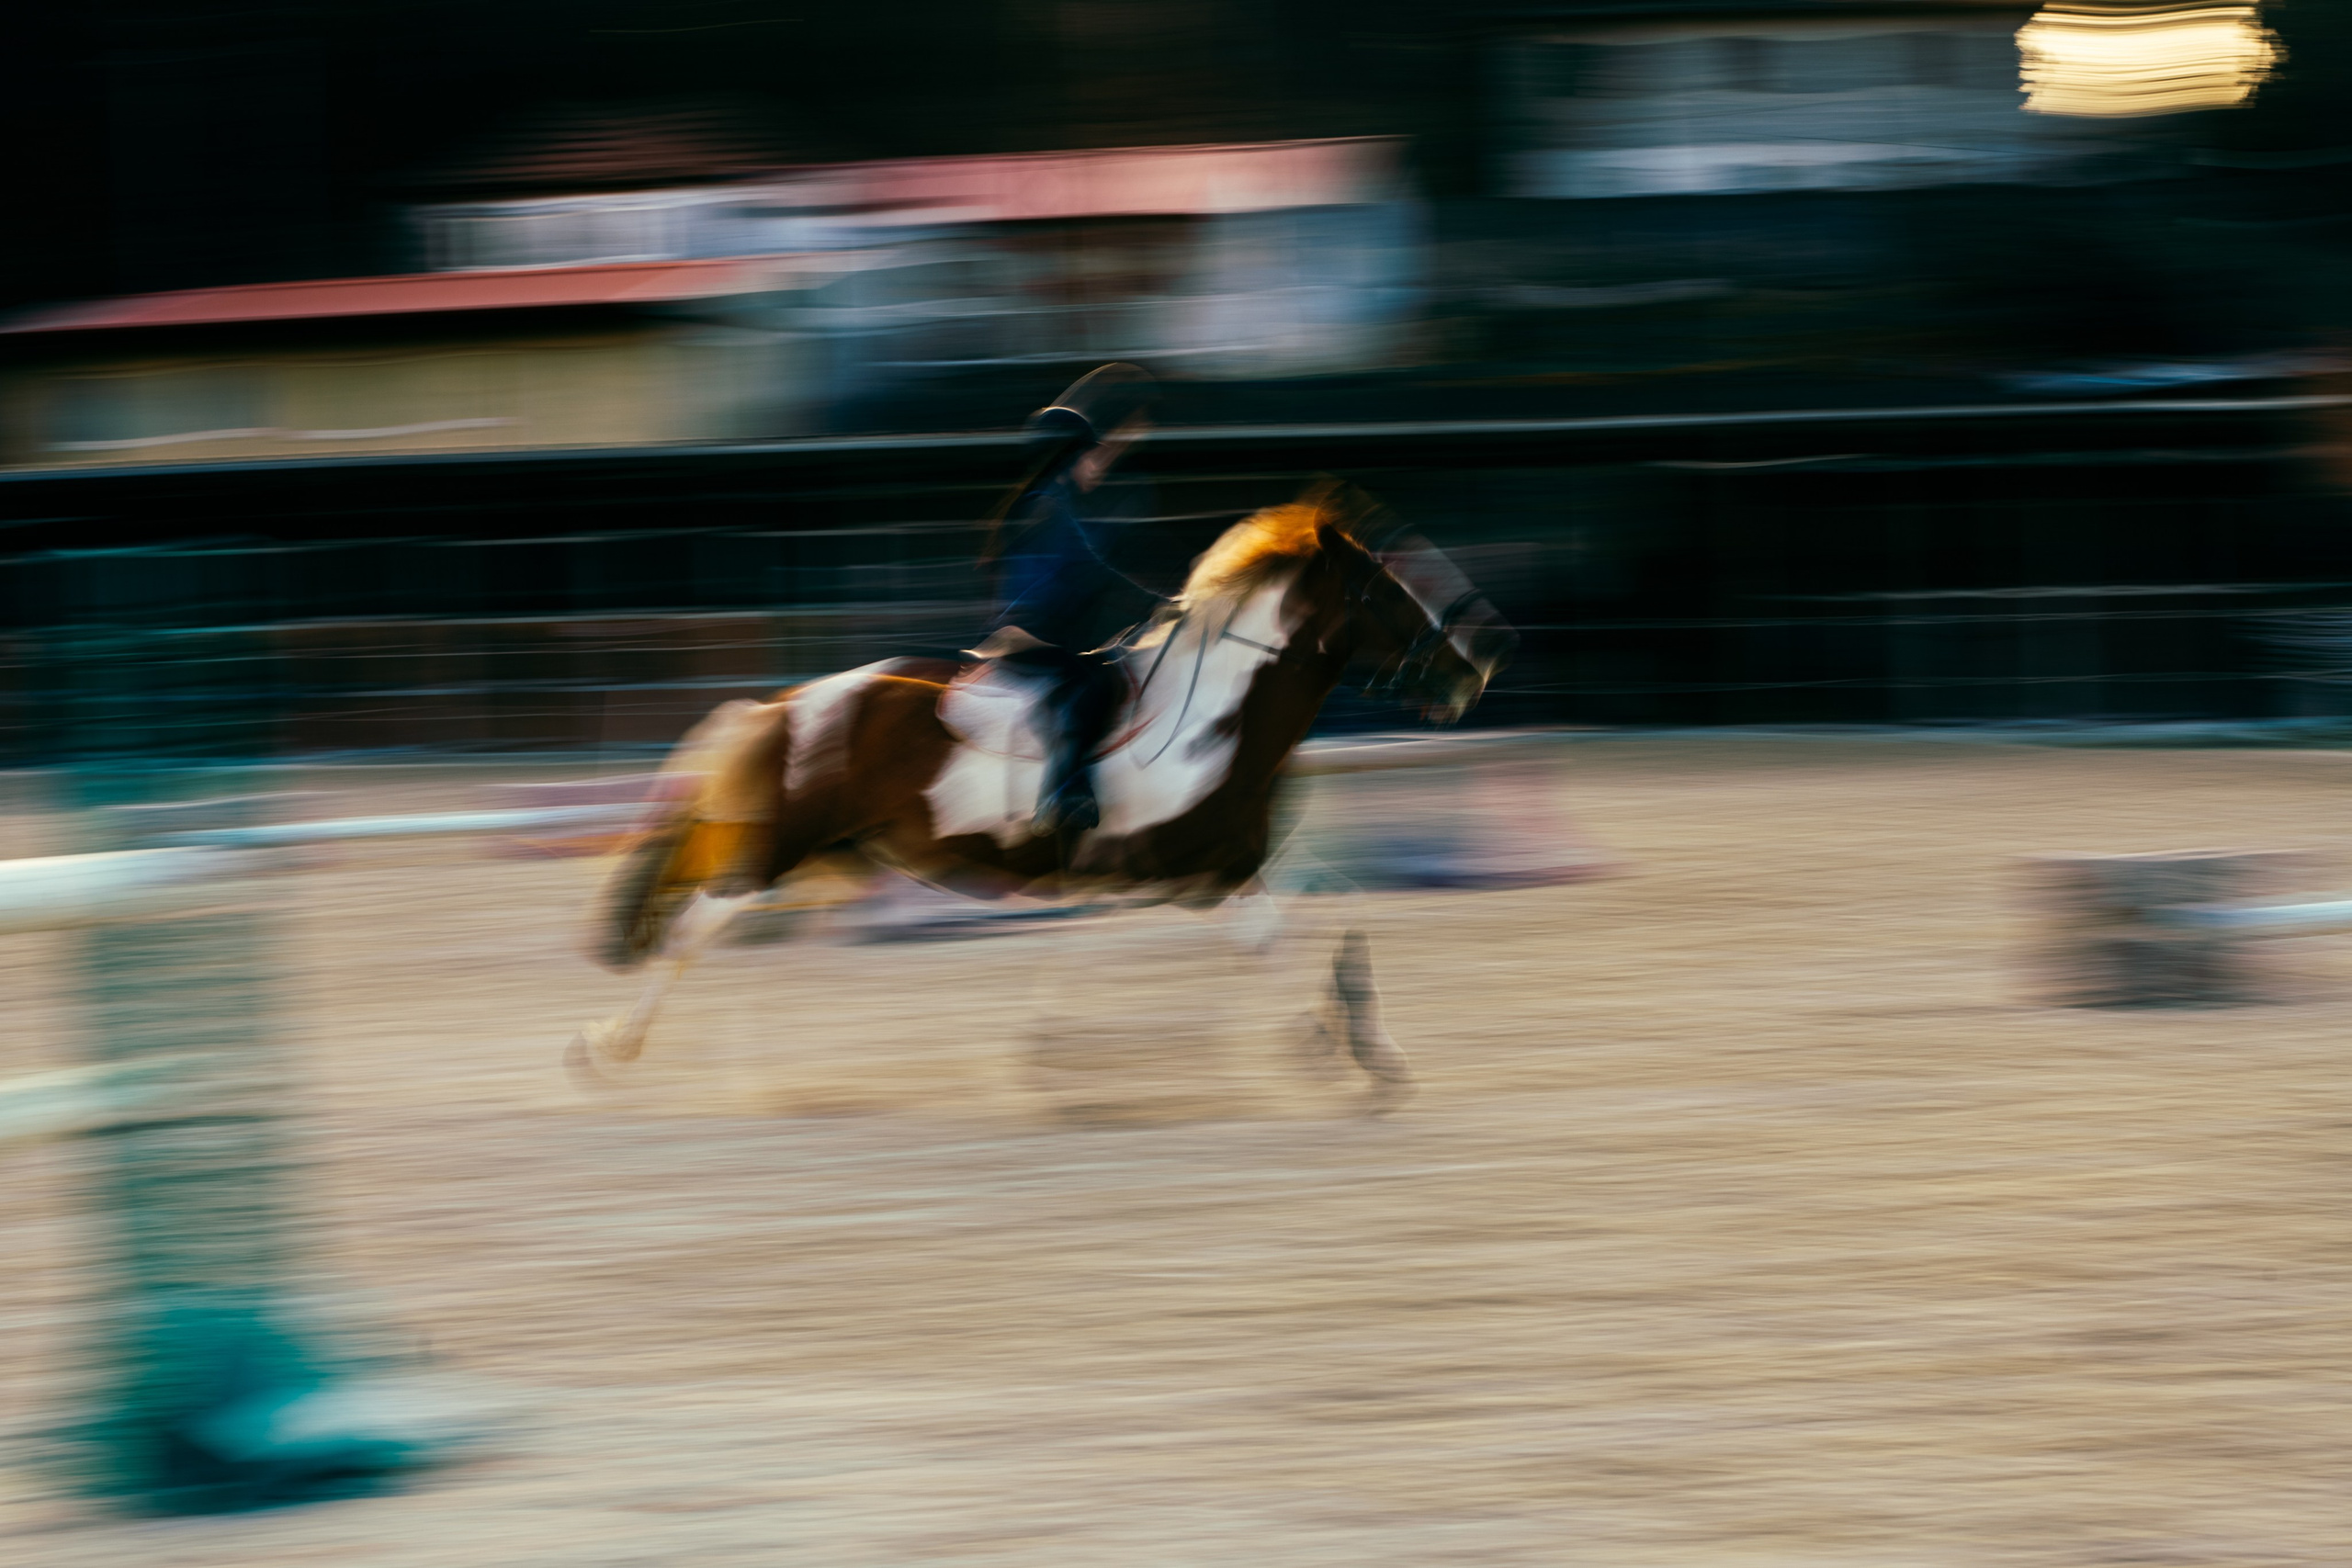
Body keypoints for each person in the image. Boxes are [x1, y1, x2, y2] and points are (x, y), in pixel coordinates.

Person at [975, 364, 1161, 836]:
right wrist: (1159, 605)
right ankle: (1065, 792)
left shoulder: (1047, 502)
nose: (1096, 464)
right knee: (1093, 684)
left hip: (1033, 633)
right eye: (1089, 455)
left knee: (1104, 668)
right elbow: (1090, 571)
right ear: (1067, 457)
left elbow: (1084, 576)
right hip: (1025, 639)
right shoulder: (1051, 505)